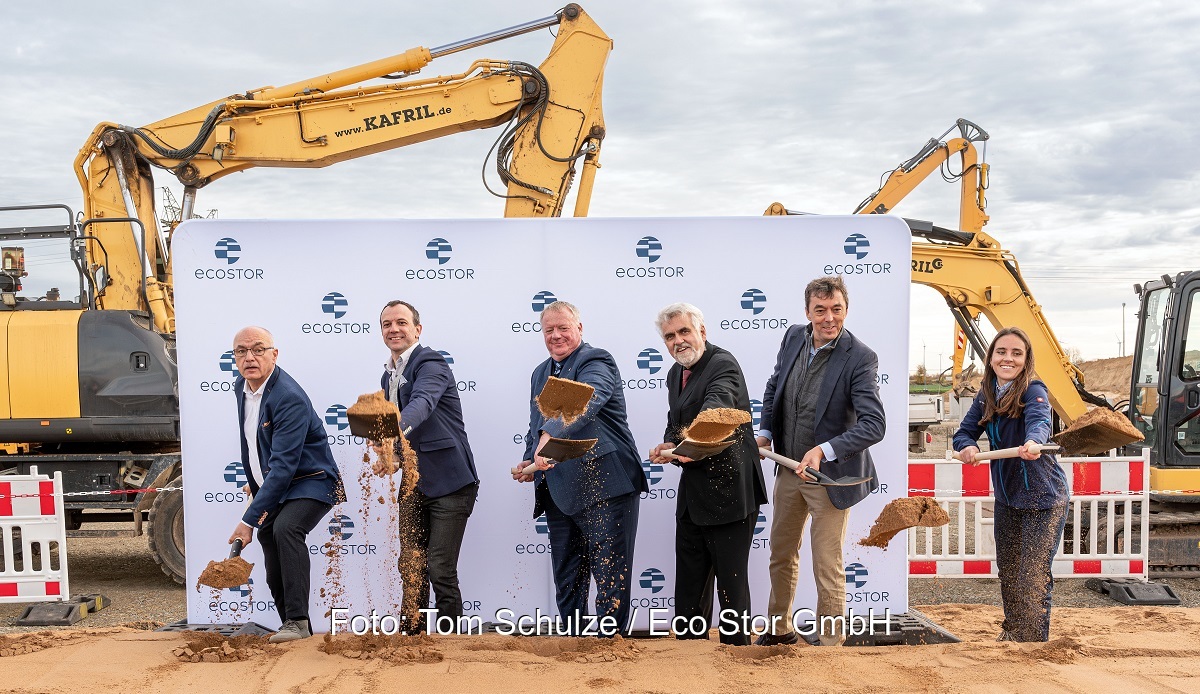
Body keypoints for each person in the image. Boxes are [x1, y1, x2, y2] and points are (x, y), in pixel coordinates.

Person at [756, 276, 885, 647]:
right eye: (820, 310)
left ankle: (829, 646)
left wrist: (824, 450)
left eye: (836, 309)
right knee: (781, 554)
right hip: (787, 468)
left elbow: (874, 425)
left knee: (827, 563)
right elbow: (774, 385)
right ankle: (779, 630)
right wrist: (765, 431)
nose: (829, 318)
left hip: (829, 479)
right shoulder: (793, 337)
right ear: (807, 311)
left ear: (846, 309)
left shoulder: (860, 357)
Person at [511, 301, 646, 636]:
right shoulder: (539, 373)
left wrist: (547, 436)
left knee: (610, 572)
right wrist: (530, 459)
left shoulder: (595, 360)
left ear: (579, 328)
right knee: (568, 575)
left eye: (563, 328)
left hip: (606, 484)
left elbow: (585, 398)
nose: (556, 336)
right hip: (559, 487)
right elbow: (536, 424)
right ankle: (573, 641)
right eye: (549, 330)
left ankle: (610, 643)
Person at [648, 302, 768, 646]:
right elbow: (676, 421)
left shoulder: (722, 364)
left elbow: (716, 407)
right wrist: (670, 444)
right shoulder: (675, 373)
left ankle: (736, 656)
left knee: (731, 584)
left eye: (684, 331)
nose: (678, 341)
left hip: (730, 492)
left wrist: (690, 443)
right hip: (692, 495)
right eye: (670, 336)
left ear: (701, 331)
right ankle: (689, 655)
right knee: (689, 582)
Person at [227, 326, 343, 643]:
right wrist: (256, 484)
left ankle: (298, 622)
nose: (249, 357)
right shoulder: (241, 387)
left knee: (286, 528)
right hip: (281, 483)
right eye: (241, 351)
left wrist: (247, 521)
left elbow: (285, 466)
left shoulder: (288, 397)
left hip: (314, 481)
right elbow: (254, 444)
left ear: (274, 354)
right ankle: (289, 625)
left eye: (258, 349)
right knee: (269, 535)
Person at [953, 326, 1068, 643]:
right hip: (1007, 497)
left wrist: (1034, 441)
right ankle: (1014, 632)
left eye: (1017, 353)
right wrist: (968, 446)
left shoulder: (1033, 390)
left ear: (1026, 359)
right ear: (991, 357)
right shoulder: (986, 394)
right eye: (1001, 352)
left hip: (1043, 498)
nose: (1008, 358)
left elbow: (1040, 421)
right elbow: (963, 433)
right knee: (1009, 570)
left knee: (1032, 573)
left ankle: (1032, 642)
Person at [378, 300, 479, 634]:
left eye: (401, 322)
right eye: (387, 324)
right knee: (410, 565)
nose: (394, 329)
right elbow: (408, 434)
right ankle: (412, 636)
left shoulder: (431, 362)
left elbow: (422, 403)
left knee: (440, 568)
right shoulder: (388, 375)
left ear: (417, 329)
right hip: (413, 482)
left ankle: (451, 640)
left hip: (451, 482)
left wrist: (392, 434)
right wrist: (392, 456)